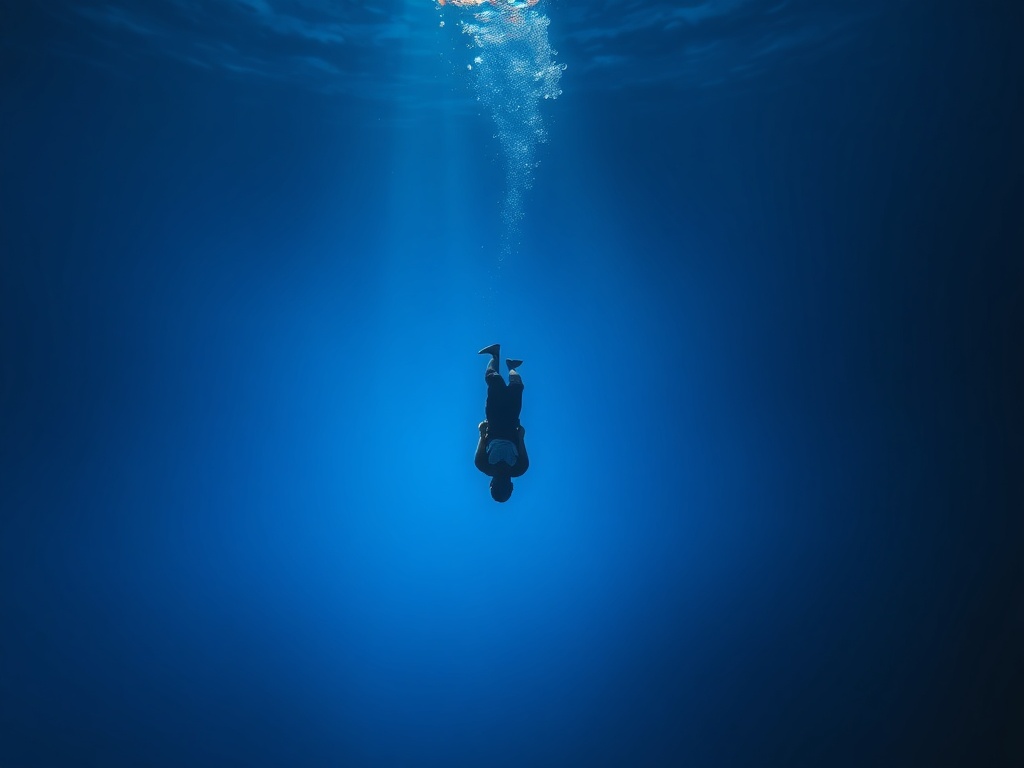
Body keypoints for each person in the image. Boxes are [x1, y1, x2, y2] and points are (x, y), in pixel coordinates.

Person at [474, 343, 529, 502]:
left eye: (498, 484)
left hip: (495, 421)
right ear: (511, 486)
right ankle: (511, 366)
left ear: (491, 483)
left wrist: (482, 431)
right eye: (506, 486)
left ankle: (495, 355)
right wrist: (521, 436)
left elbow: (482, 438)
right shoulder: (519, 468)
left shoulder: (483, 465)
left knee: (494, 380)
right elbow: (521, 441)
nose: (502, 480)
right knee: (517, 386)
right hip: (511, 422)